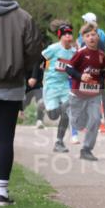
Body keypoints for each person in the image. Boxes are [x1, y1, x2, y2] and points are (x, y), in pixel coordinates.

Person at [0, 0, 42, 206]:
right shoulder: (24, 18)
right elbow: (34, 53)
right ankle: (1, 192)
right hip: (11, 88)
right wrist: (21, 67)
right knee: (4, 139)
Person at [65, 24, 105, 161]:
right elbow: (68, 69)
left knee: (96, 120)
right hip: (78, 94)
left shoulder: (101, 55)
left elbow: (101, 71)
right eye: (87, 35)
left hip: (94, 95)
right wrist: (80, 77)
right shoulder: (81, 53)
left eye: (93, 35)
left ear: (98, 36)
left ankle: (86, 150)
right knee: (77, 123)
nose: (91, 38)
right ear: (83, 38)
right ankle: (68, 111)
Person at [41, 22, 78, 153]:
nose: (68, 36)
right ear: (60, 37)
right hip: (51, 85)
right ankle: (44, 105)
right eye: (65, 34)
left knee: (67, 111)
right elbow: (42, 57)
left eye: (70, 33)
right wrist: (44, 68)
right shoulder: (53, 48)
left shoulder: (74, 52)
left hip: (64, 86)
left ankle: (59, 142)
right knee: (53, 116)